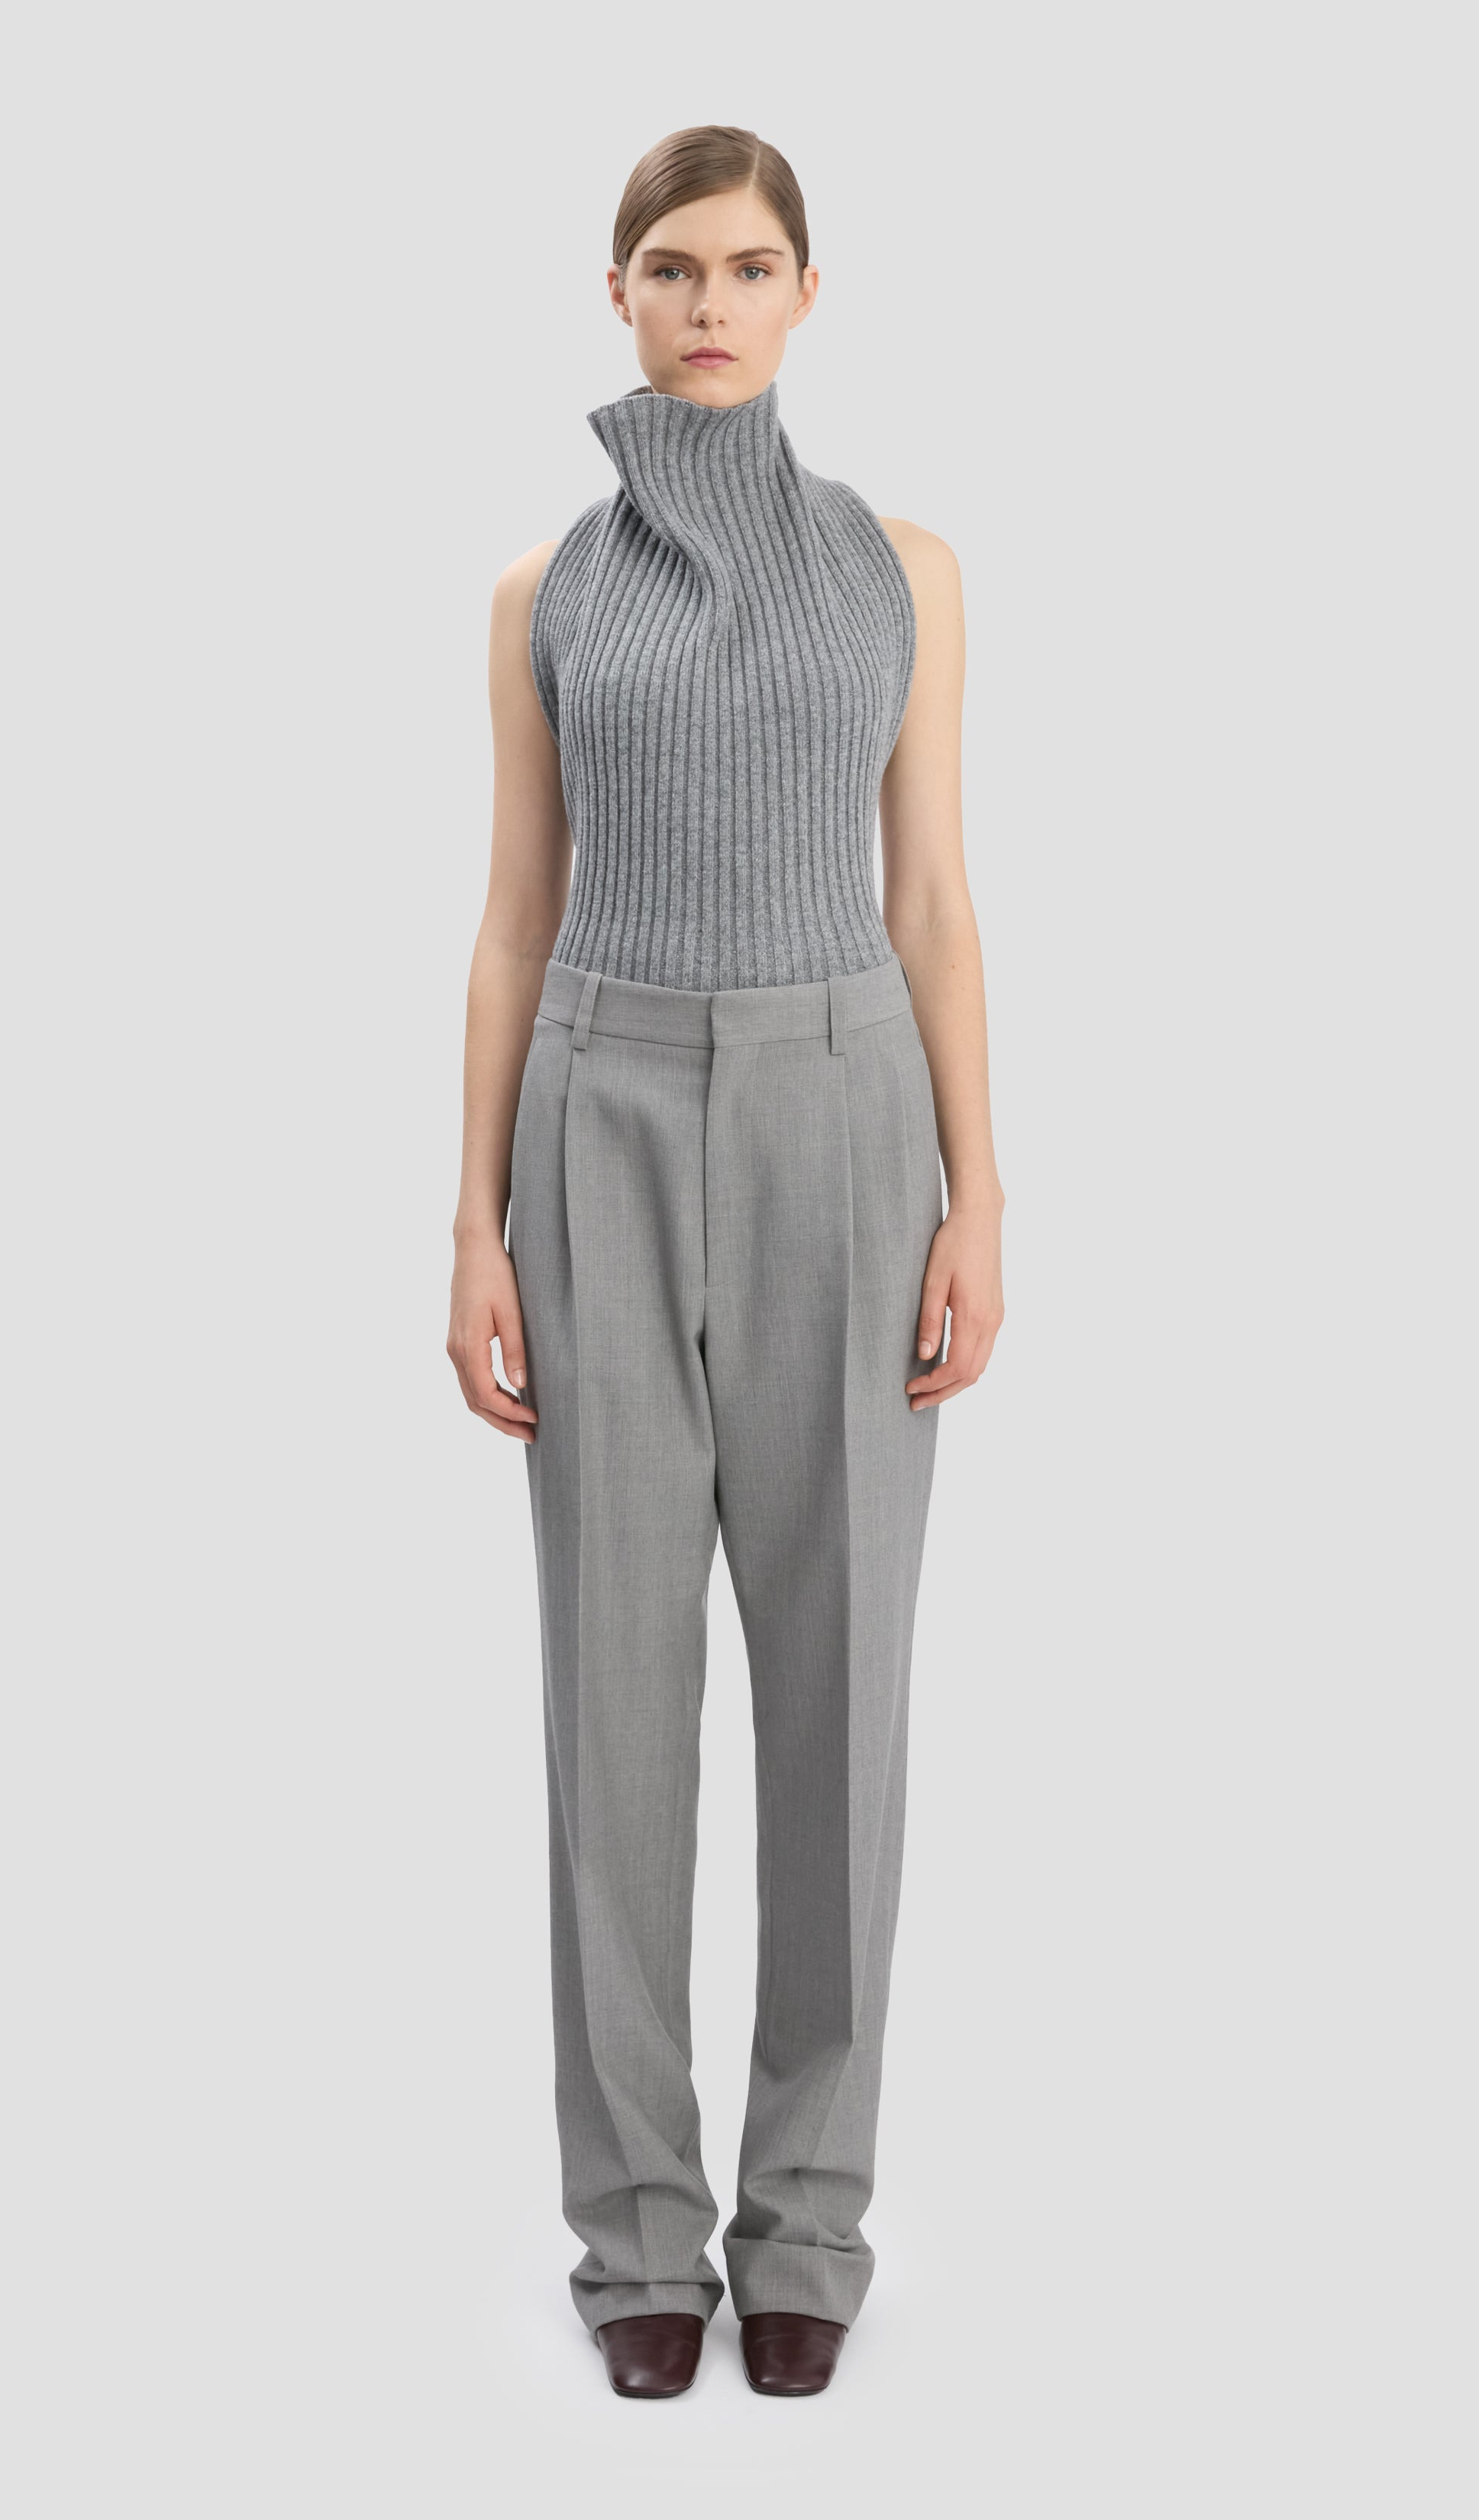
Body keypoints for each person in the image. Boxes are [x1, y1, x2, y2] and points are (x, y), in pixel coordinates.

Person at [447, 124, 1005, 2401]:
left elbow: (934, 897)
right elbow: (512, 919)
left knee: (841, 1687)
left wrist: (984, 1193)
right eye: (672, 266)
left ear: (804, 294)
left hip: (845, 1111)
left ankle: (808, 2224)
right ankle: (637, 2243)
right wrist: (471, 1222)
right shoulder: (543, 592)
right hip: (598, 1107)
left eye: (750, 266)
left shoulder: (903, 569)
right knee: (614, 1697)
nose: (710, 303)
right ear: (617, 291)